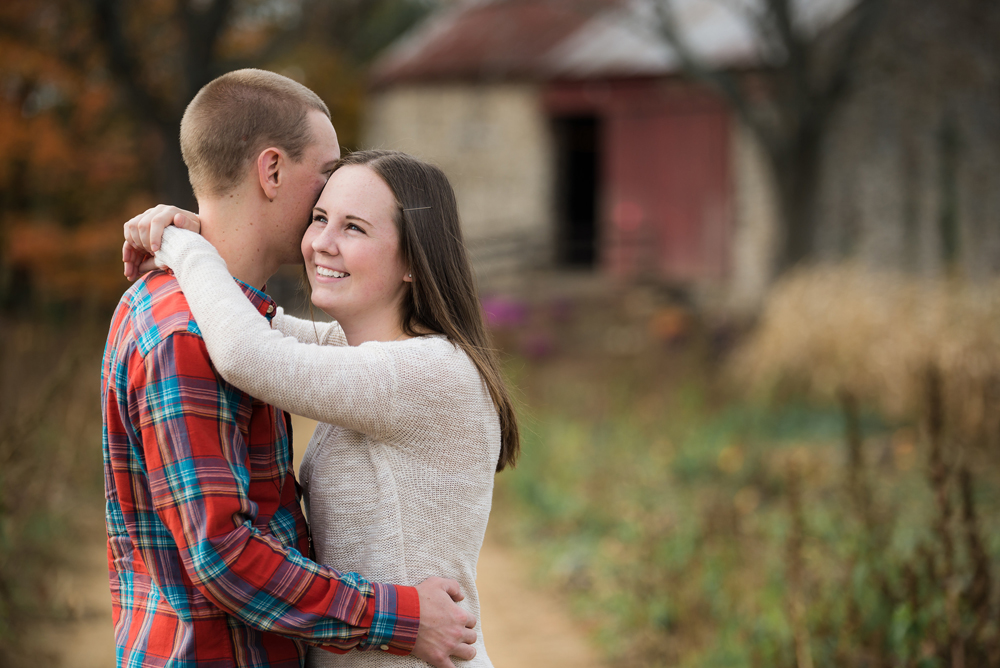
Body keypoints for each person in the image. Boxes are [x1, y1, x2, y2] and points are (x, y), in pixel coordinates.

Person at [102, 70, 477, 668]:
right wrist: (399, 617)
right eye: (325, 183)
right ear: (272, 171)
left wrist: (182, 241)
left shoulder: (237, 324)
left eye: (353, 224)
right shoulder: (188, 334)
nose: (325, 227)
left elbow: (261, 348)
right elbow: (222, 555)